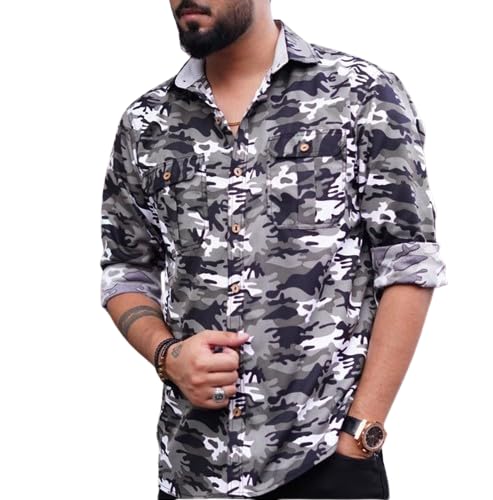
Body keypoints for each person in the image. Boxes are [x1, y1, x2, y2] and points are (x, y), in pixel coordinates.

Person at [99, 1, 448, 499]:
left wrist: (361, 435)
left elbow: (408, 263)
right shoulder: (146, 123)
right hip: (192, 471)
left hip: (323, 466)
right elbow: (126, 269)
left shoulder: (359, 94)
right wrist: (167, 355)